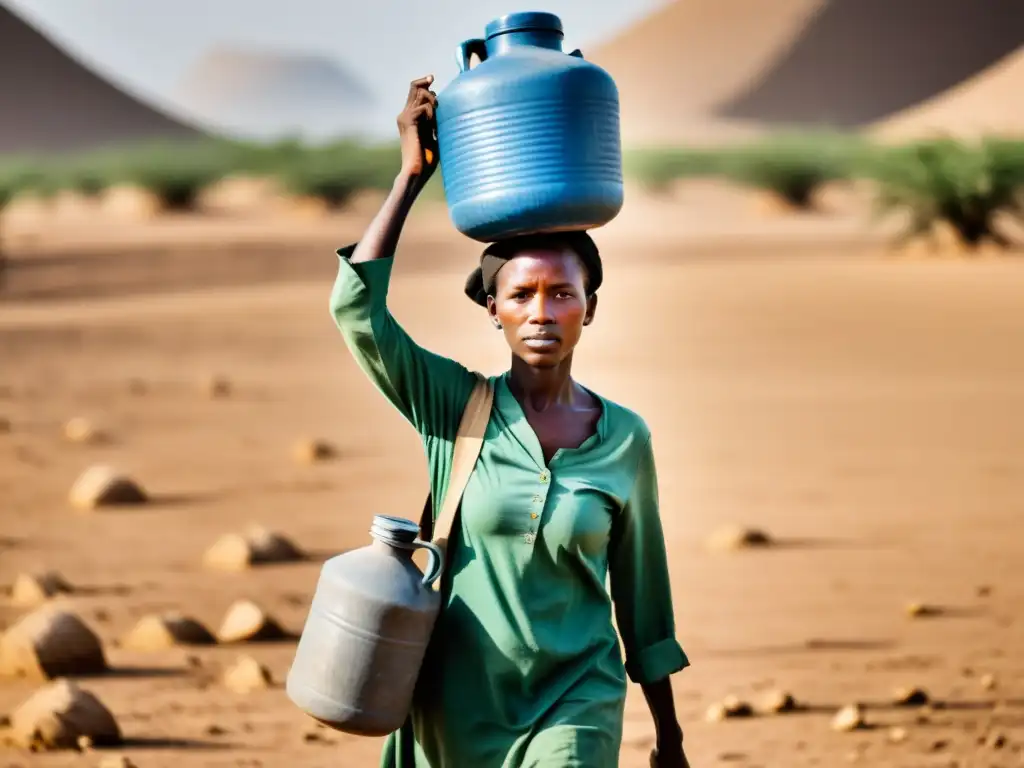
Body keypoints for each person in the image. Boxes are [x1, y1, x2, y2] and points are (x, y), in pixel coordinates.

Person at [330, 75, 692, 768]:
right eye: (520, 294)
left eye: (562, 292)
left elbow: (645, 600)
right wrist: (409, 177)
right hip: (457, 705)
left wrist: (669, 736)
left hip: (577, 698)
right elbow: (358, 315)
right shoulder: (453, 409)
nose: (542, 312)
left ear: (591, 306)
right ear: (492, 309)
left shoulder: (624, 439)